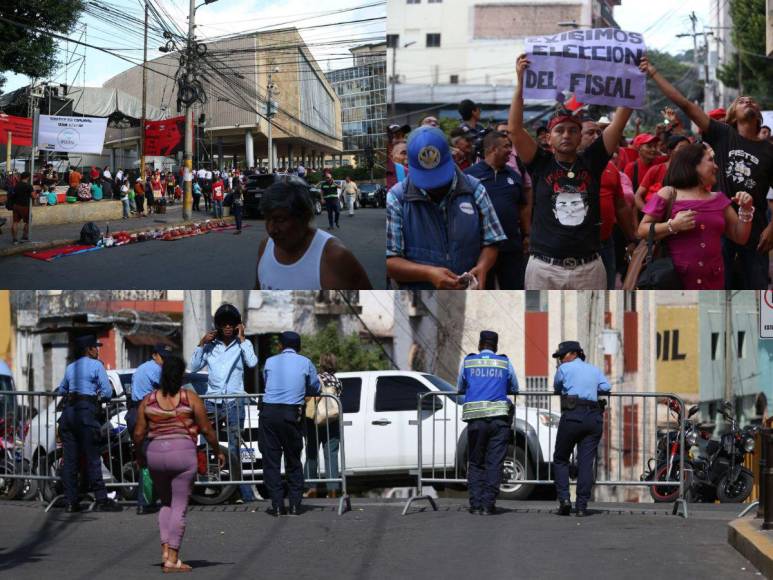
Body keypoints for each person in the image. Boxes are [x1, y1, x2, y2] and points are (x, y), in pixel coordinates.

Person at [640, 55, 773, 289]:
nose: (749, 101)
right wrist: (653, 73)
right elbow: (685, 104)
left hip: (754, 228)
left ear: (760, 116)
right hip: (716, 225)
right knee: (719, 288)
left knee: (758, 292)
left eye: (752, 101)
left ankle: (758, 327)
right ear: (732, 115)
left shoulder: (769, 150)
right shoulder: (723, 134)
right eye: (742, 101)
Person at [508, 53, 633, 289]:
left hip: (588, 269)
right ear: (548, 138)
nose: (566, 135)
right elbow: (515, 130)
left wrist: (632, 79)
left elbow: (619, 122)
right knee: (540, 325)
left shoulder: (592, 161)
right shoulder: (540, 162)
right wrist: (520, 83)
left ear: (579, 136)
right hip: (544, 269)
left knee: (589, 325)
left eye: (573, 131)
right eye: (560, 131)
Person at [132, 355, 224, 573]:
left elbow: (138, 433)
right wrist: (217, 450)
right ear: (181, 375)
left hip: (155, 454)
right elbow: (207, 429)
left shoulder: (149, 399)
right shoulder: (189, 397)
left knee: (165, 503)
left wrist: (139, 455)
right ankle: (173, 559)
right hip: (182, 454)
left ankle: (165, 551)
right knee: (180, 506)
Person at [386, 126, 506, 289]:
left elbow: (492, 239)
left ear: (452, 156)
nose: (434, 187)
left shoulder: (474, 189)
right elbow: (390, 260)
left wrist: (482, 266)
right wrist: (427, 273)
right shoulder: (397, 199)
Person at [638, 143, 754, 289]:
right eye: (711, 160)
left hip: (713, 282)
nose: (716, 167)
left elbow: (740, 237)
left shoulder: (719, 199)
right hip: (675, 281)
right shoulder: (668, 194)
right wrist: (673, 225)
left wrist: (746, 209)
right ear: (693, 164)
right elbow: (642, 230)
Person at [189, 303, 257, 503]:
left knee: (235, 447)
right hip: (212, 402)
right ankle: (209, 488)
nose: (228, 327)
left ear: (237, 325)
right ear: (218, 326)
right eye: (224, 324)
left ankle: (241, 493)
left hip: (234, 401)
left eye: (231, 324)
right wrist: (201, 343)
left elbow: (252, 363)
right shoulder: (210, 346)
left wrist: (243, 339)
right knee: (208, 445)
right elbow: (193, 366)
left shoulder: (243, 345)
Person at [255, 178, 372, 290]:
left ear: (304, 217)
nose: (271, 230)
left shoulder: (334, 257)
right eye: (267, 219)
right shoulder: (265, 247)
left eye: (280, 220)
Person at [56, 335, 122, 513]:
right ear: (89, 349)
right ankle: (101, 499)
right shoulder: (96, 365)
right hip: (85, 412)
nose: (97, 349)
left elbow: (62, 389)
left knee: (70, 461)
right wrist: (100, 395)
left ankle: (71, 501)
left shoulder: (71, 367)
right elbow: (107, 392)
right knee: (93, 457)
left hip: (68, 414)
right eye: (95, 347)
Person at [456, 330, 519, 515]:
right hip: (499, 419)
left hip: (475, 420)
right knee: (495, 463)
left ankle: (475, 504)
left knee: (475, 462)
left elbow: (460, 386)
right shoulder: (504, 362)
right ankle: (488, 505)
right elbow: (514, 387)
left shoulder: (469, 361)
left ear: (479, 344)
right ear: (496, 346)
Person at [260, 331, 321, 516]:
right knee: (293, 460)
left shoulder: (270, 361)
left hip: (269, 413)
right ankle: (295, 504)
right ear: (299, 347)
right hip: (291, 414)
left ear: (280, 346)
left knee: (271, 461)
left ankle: (277, 505)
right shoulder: (306, 362)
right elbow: (315, 387)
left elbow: (266, 382)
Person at [465, 131, 530, 289]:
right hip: (481, 249)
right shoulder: (469, 175)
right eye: (506, 146)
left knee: (515, 292)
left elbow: (522, 206)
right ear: (493, 149)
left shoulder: (514, 175)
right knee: (484, 292)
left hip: (511, 246)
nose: (511, 151)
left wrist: (527, 234)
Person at [552, 341, 610, 517]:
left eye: (561, 356)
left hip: (573, 416)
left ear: (572, 354)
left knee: (561, 458)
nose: (560, 360)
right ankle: (582, 506)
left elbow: (557, 387)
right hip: (593, 418)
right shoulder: (594, 369)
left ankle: (564, 500)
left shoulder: (564, 369)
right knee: (586, 463)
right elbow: (606, 387)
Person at [578, 118, 638, 289]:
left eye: (599, 133)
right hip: (574, 248)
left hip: (605, 243)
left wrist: (631, 239)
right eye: (590, 133)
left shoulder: (610, 168)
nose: (596, 136)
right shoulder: (563, 167)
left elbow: (620, 206)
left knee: (606, 292)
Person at [126, 344, 173, 515]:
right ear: (154, 355)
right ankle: (145, 503)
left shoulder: (142, 368)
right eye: (163, 356)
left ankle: (149, 500)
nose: (165, 359)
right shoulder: (155, 369)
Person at [303, 352, 342, 499]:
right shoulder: (337, 381)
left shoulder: (317, 379)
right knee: (331, 454)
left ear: (321, 364)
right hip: (332, 419)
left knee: (312, 452)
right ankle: (332, 489)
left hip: (315, 419)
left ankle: (311, 487)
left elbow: (309, 395)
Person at [634, 134, 691, 211]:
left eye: (689, 149)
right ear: (670, 151)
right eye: (682, 148)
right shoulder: (656, 169)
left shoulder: (693, 171)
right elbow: (637, 196)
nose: (686, 152)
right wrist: (649, 212)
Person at [10, 171, 34, 245]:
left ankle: (14, 239)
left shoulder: (17, 185)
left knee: (15, 222)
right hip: (24, 206)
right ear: (28, 177)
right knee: (28, 221)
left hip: (16, 205)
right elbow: (33, 196)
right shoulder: (28, 186)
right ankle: (24, 236)